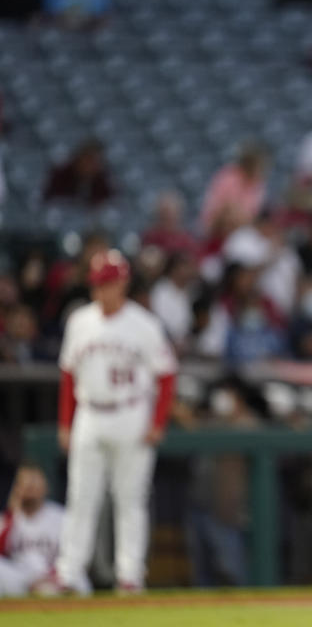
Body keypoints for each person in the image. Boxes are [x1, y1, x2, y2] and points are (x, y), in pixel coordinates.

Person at [52, 249, 177, 594]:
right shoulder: (80, 321)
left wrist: (157, 421)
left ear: (123, 282)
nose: (100, 290)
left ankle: (130, 576)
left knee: (130, 499)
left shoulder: (145, 324)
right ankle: (68, 573)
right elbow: (67, 375)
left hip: (131, 412)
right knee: (81, 497)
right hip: (90, 413)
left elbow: (166, 375)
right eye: (96, 284)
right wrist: (65, 422)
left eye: (107, 283)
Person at [0, 463, 66, 597]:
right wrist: (11, 514)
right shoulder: (8, 519)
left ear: (46, 487)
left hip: (52, 577)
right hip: (21, 580)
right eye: (25, 483)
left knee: (78, 578)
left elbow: (71, 556)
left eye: (34, 482)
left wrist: (51, 577)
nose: (30, 487)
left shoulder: (61, 516)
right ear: (17, 488)